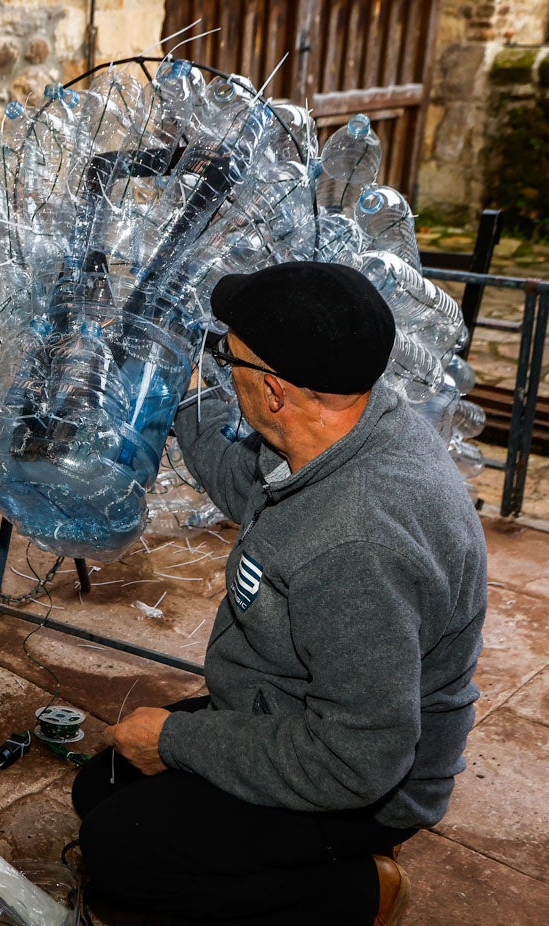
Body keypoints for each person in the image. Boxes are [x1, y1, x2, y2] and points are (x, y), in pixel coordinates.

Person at [71, 261, 487, 926]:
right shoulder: (351, 426)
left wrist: (176, 741)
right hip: (291, 705)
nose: (217, 365)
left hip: (365, 786)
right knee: (100, 787)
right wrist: (174, 393)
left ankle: (352, 891)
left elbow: (357, 760)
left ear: (271, 391)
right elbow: (252, 487)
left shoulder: (355, 545)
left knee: (122, 852)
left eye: (223, 355)